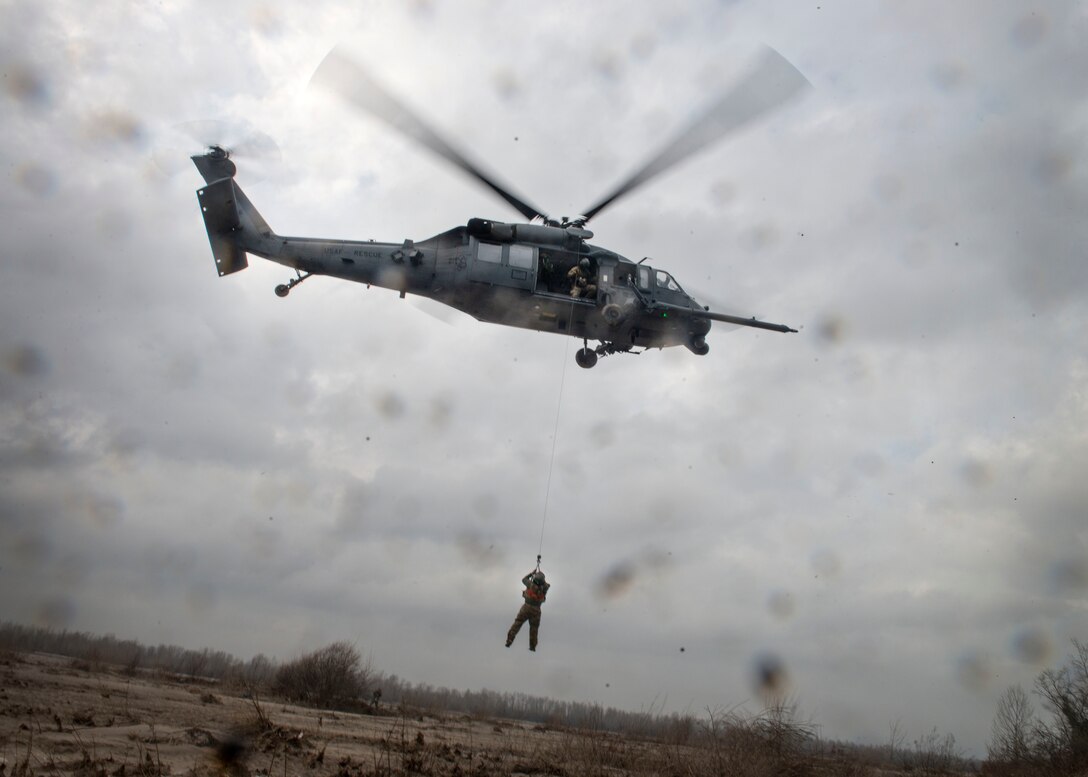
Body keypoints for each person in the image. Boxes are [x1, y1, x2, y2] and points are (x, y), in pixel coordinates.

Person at [506, 568, 550, 651]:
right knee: (534, 628)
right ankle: (532, 646)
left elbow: (523, 579)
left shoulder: (530, 584)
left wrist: (531, 574)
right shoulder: (545, 588)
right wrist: (541, 580)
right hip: (536, 610)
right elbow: (547, 585)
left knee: (517, 623)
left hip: (526, 607)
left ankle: (509, 640)